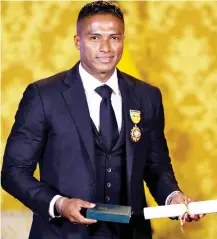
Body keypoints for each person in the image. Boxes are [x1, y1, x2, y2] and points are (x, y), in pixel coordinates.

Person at [1, 1, 204, 239]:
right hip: (64, 234)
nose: (106, 47)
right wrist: (59, 204)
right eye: (95, 38)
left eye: (114, 38)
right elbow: (13, 172)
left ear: (123, 41)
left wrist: (174, 198)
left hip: (131, 233)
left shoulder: (147, 96)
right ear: (78, 41)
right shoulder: (44, 96)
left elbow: (156, 166)